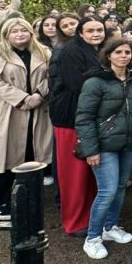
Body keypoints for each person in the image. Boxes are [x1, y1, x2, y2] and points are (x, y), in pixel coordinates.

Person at [75, 39, 132, 260]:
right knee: (107, 191)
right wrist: (91, 149)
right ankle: (92, 237)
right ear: (109, 55)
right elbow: (84, 118)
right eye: (118, 52)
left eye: (128, 52)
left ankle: (110, 227)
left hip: (129, 144)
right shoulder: (95, 82)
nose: (123, 55)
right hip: (104, 145)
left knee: (121, 187)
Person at [0, 18, 53, 214]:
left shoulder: (43, 51)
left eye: (24, 30)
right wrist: (22, 98)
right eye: (14, 31)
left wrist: (39, 95)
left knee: (32, 152)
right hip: (6, 109)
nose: (20, 34)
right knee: (5, 154)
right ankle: (0, 202)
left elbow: (52, 76)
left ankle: (29, 199)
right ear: (6, 34)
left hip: (38, 109)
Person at [48, 16, 105, 236]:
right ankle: (74, 221)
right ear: (80, 32)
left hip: (88, 115)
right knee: (74, 173)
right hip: (70, 116)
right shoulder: (71, 51)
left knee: (89, 172)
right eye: (90, 30)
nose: (96, 33)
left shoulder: (94, 49)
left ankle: (89, 216)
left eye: (99, 29)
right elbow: (78, 84)